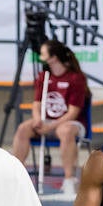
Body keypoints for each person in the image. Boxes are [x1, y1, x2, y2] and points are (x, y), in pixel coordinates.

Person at [10, 39, 90, 196]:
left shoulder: (75, 78)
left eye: (43, 52)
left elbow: (73, 113)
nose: (40, 55)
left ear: (53, 57)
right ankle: (15, 177)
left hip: (72, 123)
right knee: (23, 128)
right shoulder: (44, 76)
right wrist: (37, 118)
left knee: (65, 131)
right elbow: (36, 103)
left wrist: (50, 127)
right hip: (47, 122)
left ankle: (68, 181)